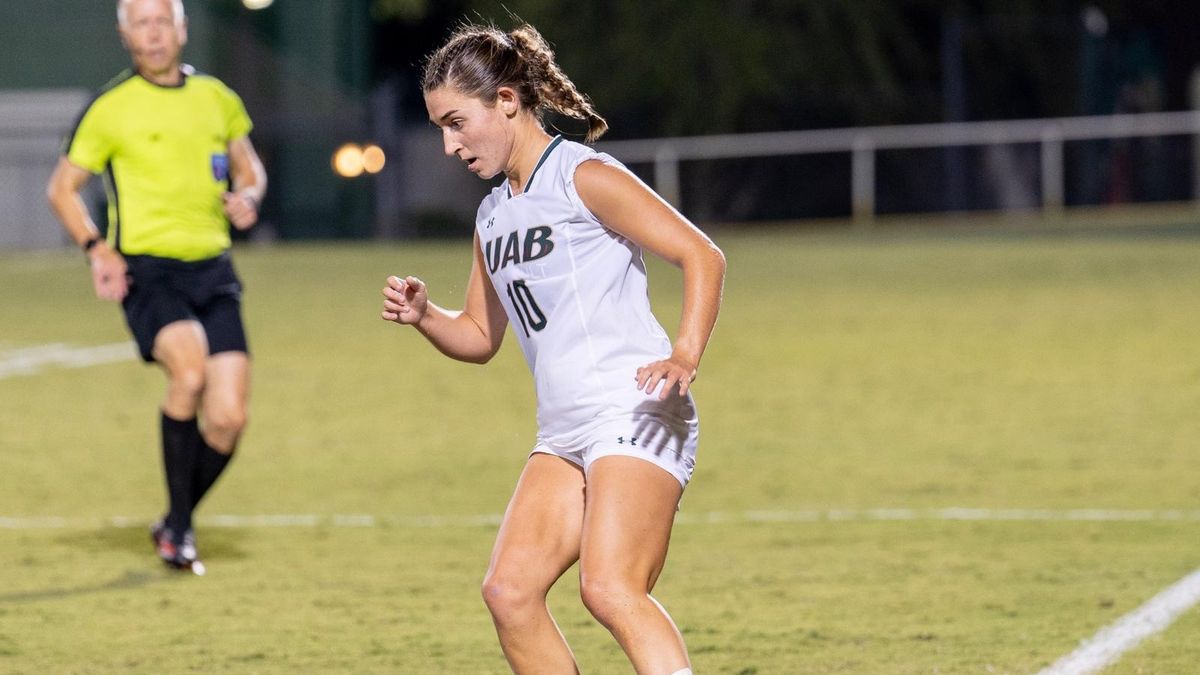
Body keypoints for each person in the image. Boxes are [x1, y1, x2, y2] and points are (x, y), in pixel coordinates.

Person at [381, 23, 725, 674]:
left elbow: (701, 254)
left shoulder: (582, 176)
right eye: (440, 129)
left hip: (635, 409)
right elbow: (481, 337)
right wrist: (427, 315)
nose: (449, 145)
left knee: (609, 587)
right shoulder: (492, 216)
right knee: (509, 591)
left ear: (507, 101)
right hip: (564, 430)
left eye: (457, 123)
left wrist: (685, 354)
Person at [46, 0, 266, 575]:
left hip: (214, 270)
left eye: (162, 20)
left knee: (229, 419)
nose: (153, 32)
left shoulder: (217, 98)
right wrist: (98, 249)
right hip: (148, 271)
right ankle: (181, 532)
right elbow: (62, 189)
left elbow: (250, 169)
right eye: (140, 22)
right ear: (125, 35)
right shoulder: (110, 107)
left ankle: (173, 521)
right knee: (189, 373)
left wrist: (248, 197)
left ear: (182, 30)